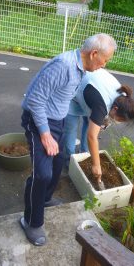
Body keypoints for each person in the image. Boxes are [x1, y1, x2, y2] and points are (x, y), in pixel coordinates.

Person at [19, 33, 117, 246]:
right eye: (105, 60)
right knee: (42, 174)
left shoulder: (81, 69)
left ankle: (44, 199)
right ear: (93, 54)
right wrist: (45, 134)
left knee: (57, 163)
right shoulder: (62, 65)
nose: (105, 64)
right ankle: (31, 222)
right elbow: (35, 100)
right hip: (39, 122)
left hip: (57, 120)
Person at [64, 68, 134, 183]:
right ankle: (70, 161)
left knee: (90, 125)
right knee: (71, 130)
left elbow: (101, 122)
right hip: (75, 92)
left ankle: (84, 154)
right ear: (115, 109)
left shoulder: (124, 98)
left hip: (92, 92)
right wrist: (97, 165)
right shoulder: (101, 106)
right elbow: (92, 136)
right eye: (119, 119)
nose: (118, 122)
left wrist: (104, 123)